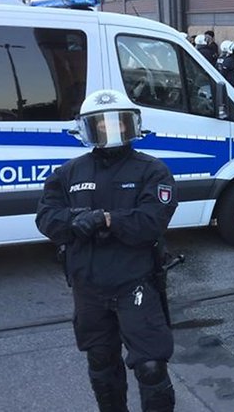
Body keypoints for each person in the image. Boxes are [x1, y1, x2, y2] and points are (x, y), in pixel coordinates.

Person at [36, 89, 178, 412]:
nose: (111, 131)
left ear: (132, 126)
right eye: (101, 125)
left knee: (151, 367)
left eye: (119, 123)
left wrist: (109, 219)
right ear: (88, 128)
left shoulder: (152, 171)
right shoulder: (69, 172)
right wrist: (74, 221)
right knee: (101, 361)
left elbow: (152, 220)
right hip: (89, 287)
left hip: (135, 285)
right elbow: (45, 216)